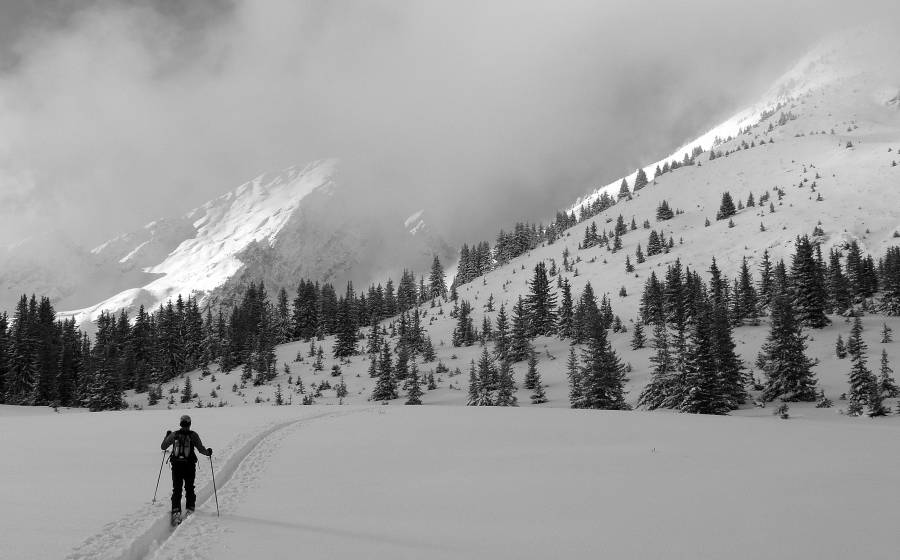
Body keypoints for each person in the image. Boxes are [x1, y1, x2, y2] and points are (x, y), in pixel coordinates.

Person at [161, 414, 212, 520]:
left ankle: (176, 511)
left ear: (180, 423)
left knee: (177, 489)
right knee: (189, 487)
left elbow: (163, 446)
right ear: (190, 424)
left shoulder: (174, 434)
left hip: (176, 466)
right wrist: (208, 452)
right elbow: (201, 449)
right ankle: (190, 508)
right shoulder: (193, 435)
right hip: (189, 465)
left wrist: (167, 436)